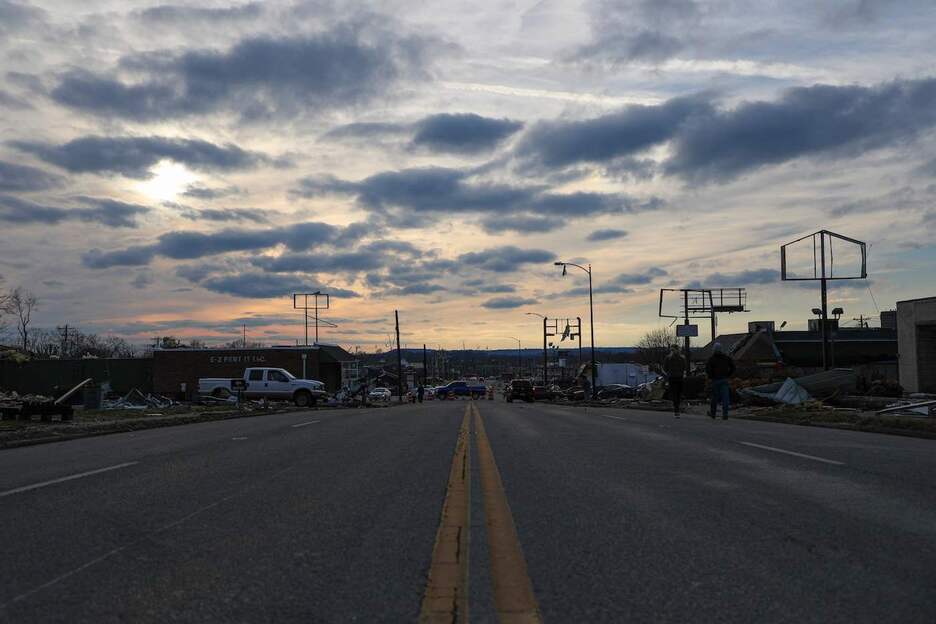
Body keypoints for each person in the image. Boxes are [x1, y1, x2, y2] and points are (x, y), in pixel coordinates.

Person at [705, 343, 736, 419]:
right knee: (725, 398)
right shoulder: (726, 358)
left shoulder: (711, 359)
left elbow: (708, 370)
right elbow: (733, 367)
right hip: (724, 380)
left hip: (715, 380)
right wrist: (728, 375)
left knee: (714, 398)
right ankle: (725, 414)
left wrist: (711, 377)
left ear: (714, 350)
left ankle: (713, 414)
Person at [663, 347, 686, 417]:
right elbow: (684, 367)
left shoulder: (668, 358)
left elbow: (665, 368)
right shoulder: (682, 358)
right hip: (680, 377)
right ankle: (677, 407)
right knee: (679, 393)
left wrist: (669, 372)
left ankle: (676, 409)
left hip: (672, 377)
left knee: (674, 393)